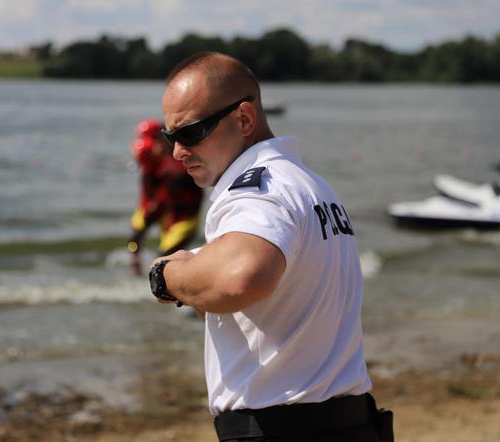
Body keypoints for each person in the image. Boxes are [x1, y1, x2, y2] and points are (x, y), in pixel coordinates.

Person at [147, 52, 393, 441]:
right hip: (351, 423)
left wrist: (167, 275)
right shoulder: (308, 184)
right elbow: (271, 304)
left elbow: (243, 278)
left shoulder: (254, 189)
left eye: (190, 132)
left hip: (280, 427)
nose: (178, 151)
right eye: (170, 136)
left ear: (244, 118)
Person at [128, 119, 203, 276]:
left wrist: (155, 206)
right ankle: (135, 271)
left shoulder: (182, 164)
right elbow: (150, 189)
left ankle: (171, 290)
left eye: (156, 139)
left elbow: (173, 192)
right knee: (134, 239)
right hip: (159, 209)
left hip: (183, 217)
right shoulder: (151, 160)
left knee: (163, 258)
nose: (153, 146)